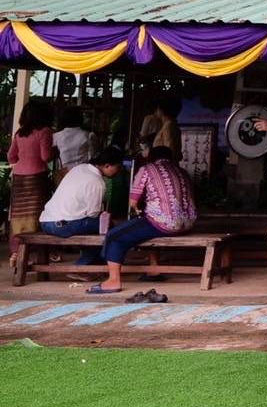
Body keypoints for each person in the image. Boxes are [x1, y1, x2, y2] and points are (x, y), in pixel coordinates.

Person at [87, 144, 197, 295]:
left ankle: (113, 281)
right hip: (188, 223)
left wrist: (138, 207)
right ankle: (154, 271)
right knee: (145, 228)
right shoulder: (182, 171)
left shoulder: (146, 169)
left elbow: (133, 203)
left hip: (164, 222)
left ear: (151, 157)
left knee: (115, 236)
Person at [38, 147, 123, 259]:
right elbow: (93, 214)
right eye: (118, 167)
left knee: (95, 225)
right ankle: (86, 264)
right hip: (62, 226)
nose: (119, 171)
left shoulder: (79, 168)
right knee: (105, 225)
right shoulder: (97, 182)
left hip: (45, 222)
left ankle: (89, 263)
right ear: (107, 165)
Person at [7, 99, 56, 259]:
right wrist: (55, 152)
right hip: (36, 178)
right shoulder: (45, 132)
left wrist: (18, 165)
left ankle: (16, 251)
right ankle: (37, 251)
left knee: (19, 215)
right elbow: (46, 156)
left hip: (19, 179)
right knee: (37, 214)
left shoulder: (20, 133)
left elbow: (10, 156)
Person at [52, 106, 100, 171]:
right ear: (80, 119)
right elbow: (93, 154)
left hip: (62, 173)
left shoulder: (56, 136)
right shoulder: (89, 135)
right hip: (82, 172)